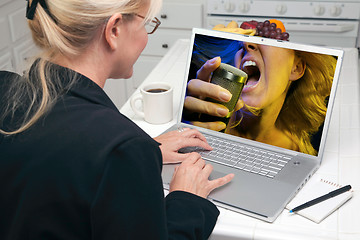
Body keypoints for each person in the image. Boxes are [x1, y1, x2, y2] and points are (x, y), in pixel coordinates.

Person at [0, 0, 234, 239]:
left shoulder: (4, 87)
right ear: (114, 30)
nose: (146, 36)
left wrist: (139, 155)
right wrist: (187, 199)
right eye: (147, 25)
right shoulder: (121, 147)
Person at [183, 35, 337, 155]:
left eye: (270, 40)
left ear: (296, 68)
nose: (245, 44)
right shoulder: (207, 120)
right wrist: (183, 130)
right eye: (240, 43)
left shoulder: (296, 152)